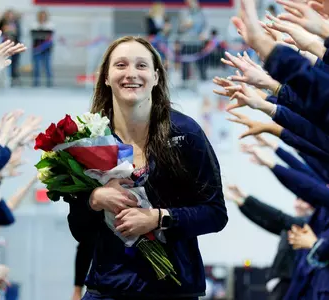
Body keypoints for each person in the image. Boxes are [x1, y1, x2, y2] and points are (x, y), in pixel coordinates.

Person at [67, 36, 228, 300]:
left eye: (141, 66)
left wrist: (159, 218)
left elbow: (215, 213)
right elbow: (80, 230)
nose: (131, 73)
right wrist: (94, 200)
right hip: (108, 288)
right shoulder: (90, 139)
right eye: (121, 65)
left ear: (155, 77)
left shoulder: (186, 133)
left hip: (173, 290)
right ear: (106, 77)